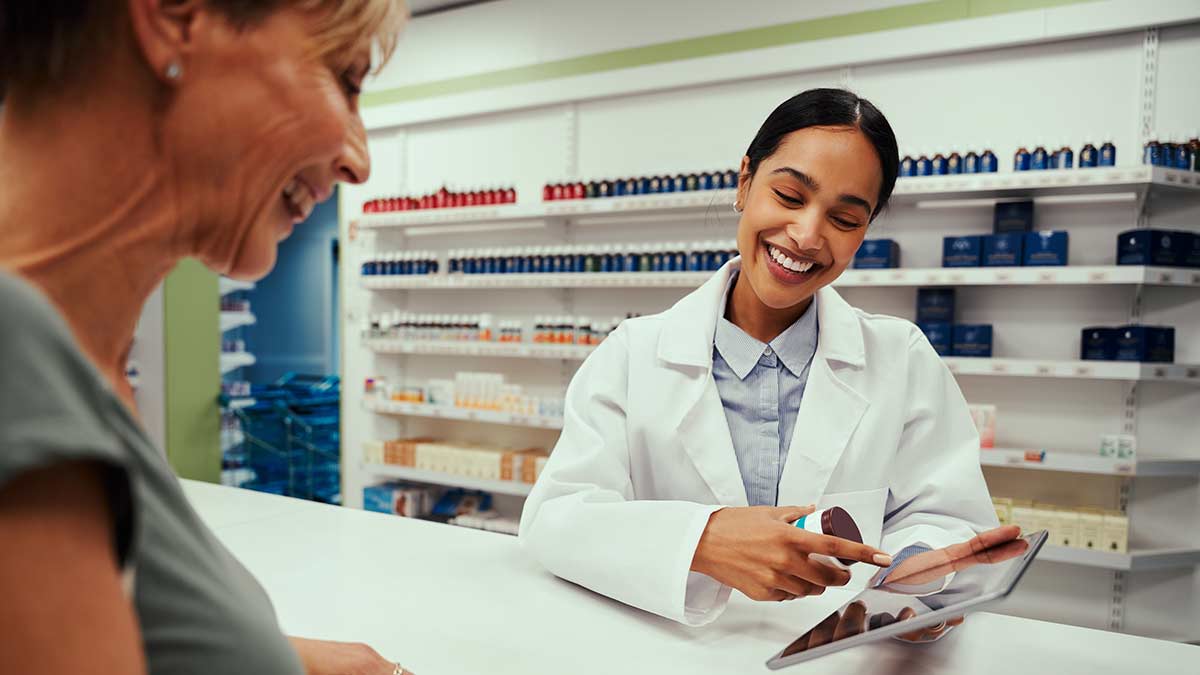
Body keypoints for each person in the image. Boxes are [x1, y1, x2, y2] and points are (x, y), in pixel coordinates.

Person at [0, 1, 413, 673]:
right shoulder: (15, 355)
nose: (357, 162)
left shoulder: (78, 370)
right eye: (345, 77)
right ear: (173, 17)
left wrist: (279, 658)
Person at [519, 88, 1013, 632]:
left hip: (835, 659)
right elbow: (556, 519)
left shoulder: (903, 359)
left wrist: (918, 576)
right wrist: (702, 540)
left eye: (844, 218)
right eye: (789, 195)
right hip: (670, 653)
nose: (807, 235)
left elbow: (948, 519)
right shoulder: (633, 354)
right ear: (744, 181)